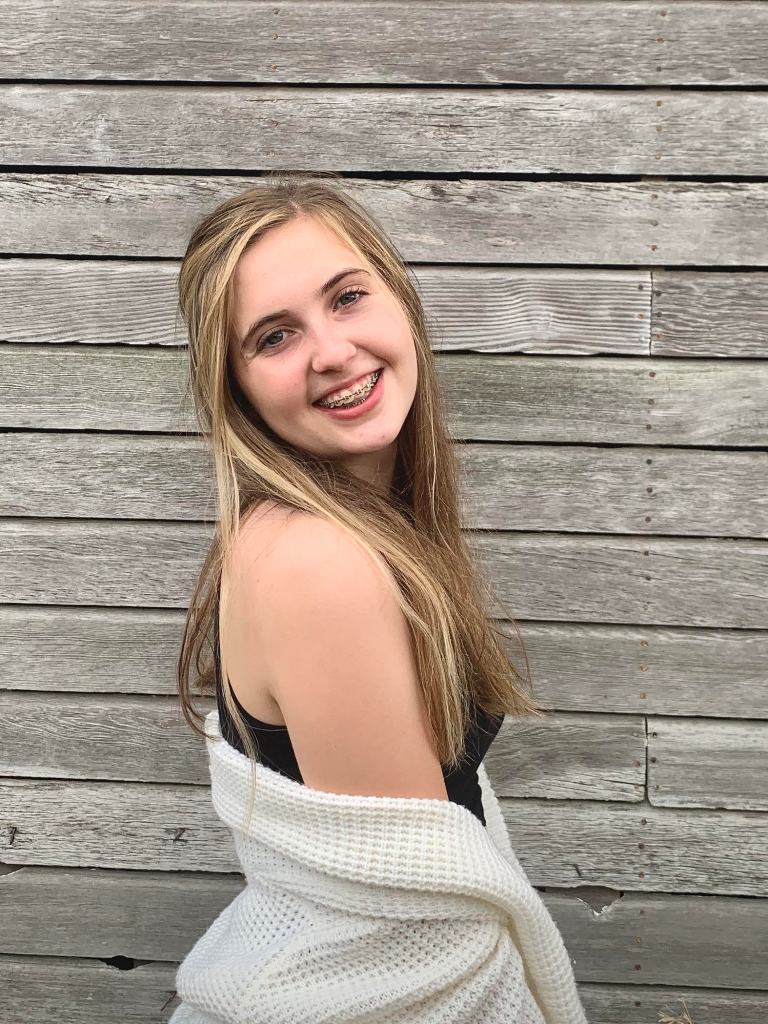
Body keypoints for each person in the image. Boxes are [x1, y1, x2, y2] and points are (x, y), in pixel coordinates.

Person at [170, 171, 588, 1024]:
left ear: (400, 300)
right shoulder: (319, 563)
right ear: (237, 389)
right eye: (275, 336)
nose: (330, 351)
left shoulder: (348, 533)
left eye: (347, 297)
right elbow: (417, 940)